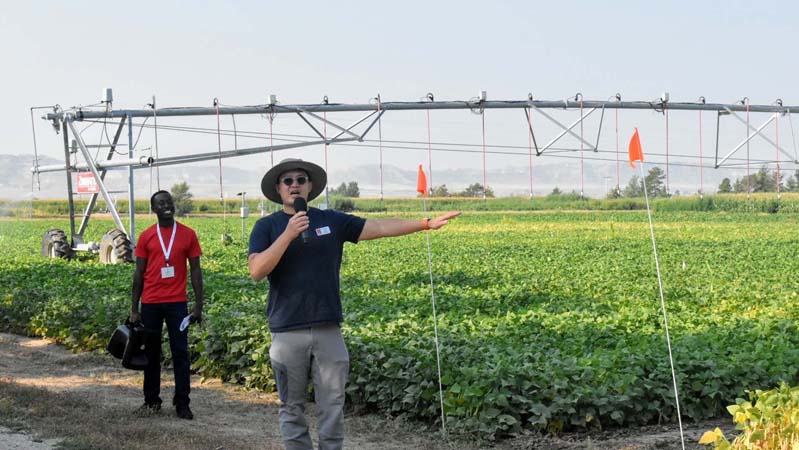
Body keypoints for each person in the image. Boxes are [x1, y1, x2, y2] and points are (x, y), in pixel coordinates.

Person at [248, 158, 459, 450]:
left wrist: (425, 224)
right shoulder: (267, 226)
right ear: (278, 189)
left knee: (332, 403)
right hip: (287, 330)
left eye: (301, 180)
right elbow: (257, 270)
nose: (295, 185)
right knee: (291, 405)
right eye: (288, 181)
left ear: (310, 187)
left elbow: (381, 227)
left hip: (328, 328)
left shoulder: (332, 221)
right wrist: (289, 234)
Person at [130, 190, 204, 420]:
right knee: (151, 354)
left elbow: (196, 271)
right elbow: (139, 273)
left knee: (180, 353)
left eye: (168, 202)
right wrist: (134, 308)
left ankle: (182, 402)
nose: (166, 206)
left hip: (177, 305)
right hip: (151, 303)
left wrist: (198, 305)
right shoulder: (146, 236)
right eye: (160, 203)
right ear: (154, 209)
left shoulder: (188, 234)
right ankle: (151, 401)